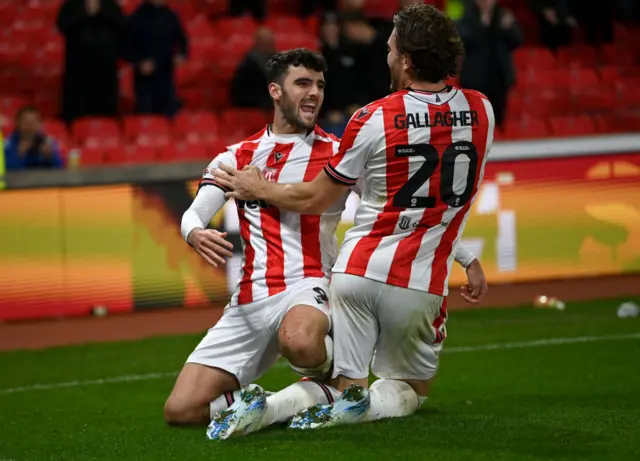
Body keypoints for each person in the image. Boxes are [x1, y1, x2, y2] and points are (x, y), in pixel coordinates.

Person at [167, 48, 487, 438]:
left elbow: (402, 210)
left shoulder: (336, 153)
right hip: (249, 300)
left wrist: (464, 255)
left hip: (310, 285)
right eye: (303, 83)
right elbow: (195, 212)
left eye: (320, 84)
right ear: (275, 91)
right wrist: (194, 232)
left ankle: (338, 377)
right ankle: (275, 399)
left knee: (299, 340)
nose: (315, 93)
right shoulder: (237, 155)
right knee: (182, 409)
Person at [56, 0, 125, 123]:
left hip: (105, 73)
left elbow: (122, 25)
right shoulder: (71, 5)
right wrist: (84, 11)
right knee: (76, 115)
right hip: (78, 72)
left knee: (105, 117)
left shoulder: (111, 6)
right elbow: (62, 25)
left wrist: (101, 11)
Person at [457, 0, 522, 127]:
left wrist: (508, 29)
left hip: (499, 77)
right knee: (477, 120)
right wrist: (481, 26)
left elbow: (517, 41)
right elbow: (462, 40)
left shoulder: (503, 15)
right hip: (475, 79)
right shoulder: (468, 15)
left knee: (498, 119)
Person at [127, 0, 188, 117]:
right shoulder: (136, 18)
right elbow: (126, 47)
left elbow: (182, 40)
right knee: (146, 115)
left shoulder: (171, 16)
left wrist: (181, 54)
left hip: (166, 75)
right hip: (145, 79)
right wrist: (139, 62)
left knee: (167, 115)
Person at [4, 106, 64, 171]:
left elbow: (60, 168)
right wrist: (19, 155)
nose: (29, 126)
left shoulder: (48, 141)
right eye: (26, 122)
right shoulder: (9, 143)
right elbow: (6, 169)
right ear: (18, 123)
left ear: (39, 124)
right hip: (19, 180)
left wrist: (51, 157)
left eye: (33, 122)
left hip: (43, 179)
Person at [230, 27, 276, 110]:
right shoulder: (246, 67)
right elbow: (238, 95)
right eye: (265, 42)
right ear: (257, 43)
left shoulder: (280, 63)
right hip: (253, 109)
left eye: (270, 42)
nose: (268, 45)